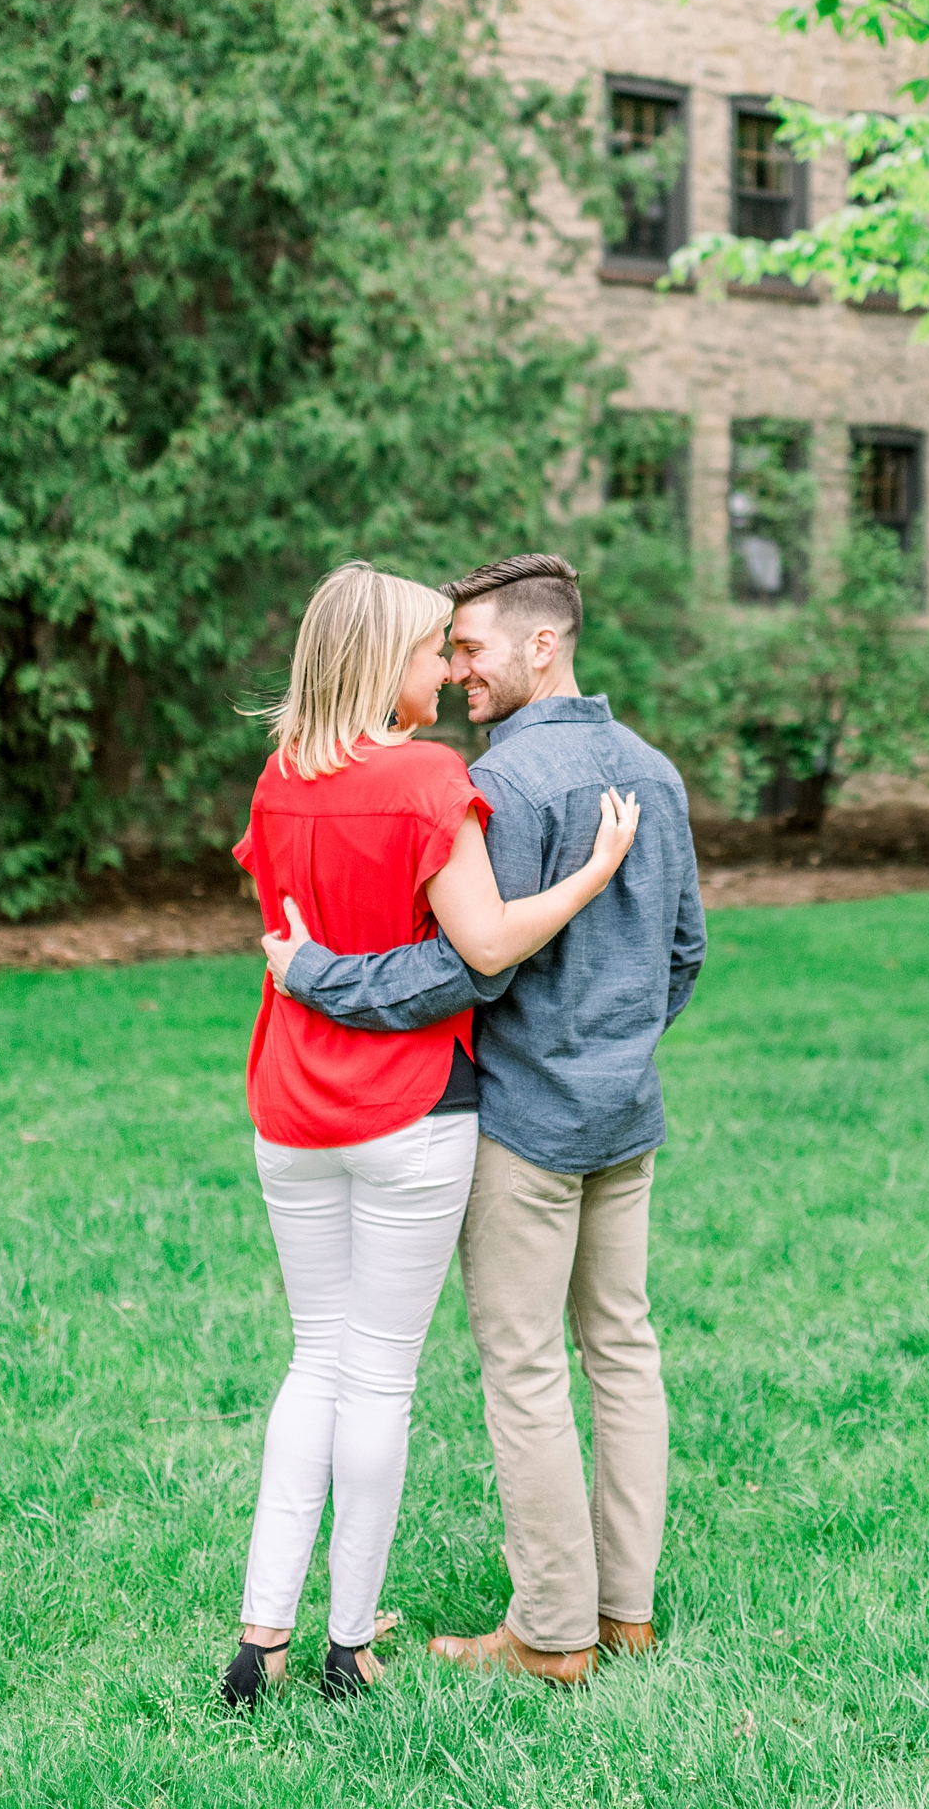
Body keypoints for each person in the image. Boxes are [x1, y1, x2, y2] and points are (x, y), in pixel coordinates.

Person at [261, 553, 706, 1684]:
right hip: (627, 1114)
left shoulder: (500, 787)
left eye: (471, 649)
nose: (456, 669)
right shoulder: (654, 772)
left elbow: (464, 969)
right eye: (446, 649)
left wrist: (317, 976)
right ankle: (628, 1612)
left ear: (541, 644)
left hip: (522, 1122)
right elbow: (685, 951)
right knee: (624, 1349)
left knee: (524, 1368)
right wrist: (621, 1049)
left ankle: (552, 1634)